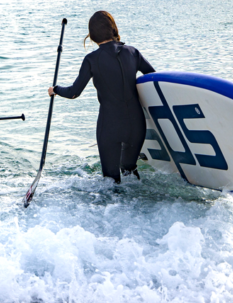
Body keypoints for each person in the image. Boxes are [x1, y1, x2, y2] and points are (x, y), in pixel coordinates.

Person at [49, 11, 155, 183]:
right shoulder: (133, 52)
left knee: (111, 183)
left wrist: (55, 89)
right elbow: (153, 78)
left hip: (110, 127)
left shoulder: (91, 59)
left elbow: (74, 92)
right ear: (113, 28)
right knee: (129, 171)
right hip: (137, 125)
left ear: (92, 35)